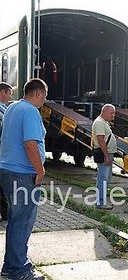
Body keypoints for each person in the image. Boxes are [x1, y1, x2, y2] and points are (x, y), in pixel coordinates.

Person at [0, 78, 47, 280]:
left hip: (8, 170)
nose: (44, 100)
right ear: (38, 93)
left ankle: (12, 264)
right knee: (22, 222)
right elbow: (30, 144)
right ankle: (18, 269)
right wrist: (41, 170)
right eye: (44, 96)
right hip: (22, 173)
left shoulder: (12, 108)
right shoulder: (30, 111)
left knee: (15, 220)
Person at [92, 104, 117, 209]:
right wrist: (106, 156)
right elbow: (101, 140)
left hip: (107, 154)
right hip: (104, 155)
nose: (113, 115)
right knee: (103, 179)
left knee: (105, 178)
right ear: (105, 111)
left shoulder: (103, 122)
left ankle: (102, 201)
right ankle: (101, 203)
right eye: (112, 113)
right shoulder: (99, 123)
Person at [0, 82, 12, 222]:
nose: (10, 96)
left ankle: (5, 213)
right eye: (9, 93)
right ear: (3, 92)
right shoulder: (2, 111)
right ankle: (5, 213)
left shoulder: (5, 109)